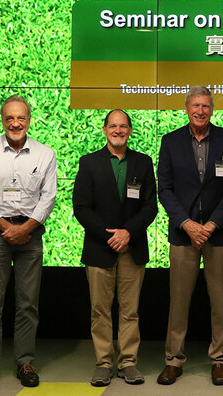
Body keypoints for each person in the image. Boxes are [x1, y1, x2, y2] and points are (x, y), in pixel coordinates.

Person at [156, 85, 223, 386]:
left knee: (220, 301)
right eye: (195, 105)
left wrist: (212, 224)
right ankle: (173, 359)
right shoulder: (171, 142)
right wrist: (187, 224)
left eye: (206, 106)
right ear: (186, 108)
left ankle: (219, 360)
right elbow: (164, 188)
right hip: (184, 236)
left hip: (218, 235)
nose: (201, 111)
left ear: (212, 109)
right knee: (179, 300)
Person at [0, 95, 57, 390]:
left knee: (28, 303)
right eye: (9, 118)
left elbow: (49, 197)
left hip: (30, 234)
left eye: (21, 118)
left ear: (29, 120)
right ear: (2, 120)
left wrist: (27, 228)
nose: (15, 123)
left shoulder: (45, 154)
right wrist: (8, 228)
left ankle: (25, 361)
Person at [73, 109, 158, 387]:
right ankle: (104, 363)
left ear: (130, 130)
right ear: (105, 129)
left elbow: (150, 207)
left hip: (133, 248)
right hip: (100, 248)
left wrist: (128, 233)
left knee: (130, 310)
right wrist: (110, 235)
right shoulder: (89, 163)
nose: (118, 130)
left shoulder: (143, 163)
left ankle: (129, 362)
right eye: (113, 126)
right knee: (100, 309)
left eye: (123, 126)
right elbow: (81, 208)